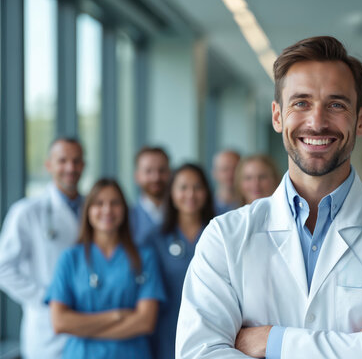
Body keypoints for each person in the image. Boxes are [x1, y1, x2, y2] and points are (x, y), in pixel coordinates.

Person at [176, 36, 362, 358]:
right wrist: (360, 346)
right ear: (277, 116)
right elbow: (197, 353)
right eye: (301, 103)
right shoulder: (224, 236)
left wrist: (272, 340)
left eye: (336, 104)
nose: (317, 122)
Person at [46, 179, 165, 359]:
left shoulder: (144, 257)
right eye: (99, 203)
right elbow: (60, 322)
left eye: (115, 203)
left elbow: (145, 322)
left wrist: (82, 327)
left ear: (124, 209)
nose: (107, 210)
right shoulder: (70, 258)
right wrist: (116, 316)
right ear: (88, 210)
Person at [0, 138, 85, 359]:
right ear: (48, 165)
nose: (70, 168)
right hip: (46, 332)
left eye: (76, 161)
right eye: (62, 161)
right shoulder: (27, 212)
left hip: (89, 327)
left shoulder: (94, 209)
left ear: (83, 165)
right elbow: (3, 268)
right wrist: (48, 298)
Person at [147, 164, 215, 359]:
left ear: (207, 192)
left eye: (197, 187)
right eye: (183, 187)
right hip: (167, 332)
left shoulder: (220, 233)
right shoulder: (154, 240)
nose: (191, 194)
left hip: (212, 331)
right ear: (171, 193)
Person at [130, 146, 171, 245]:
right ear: (137, 176)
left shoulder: (182, 217)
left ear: (170, 173)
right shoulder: (127, 219)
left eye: (161, 170)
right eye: (148, 171)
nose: (156, 177)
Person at [212, 150, 241, 215]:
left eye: (235, 169)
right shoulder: (204, 206)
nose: (230, 174)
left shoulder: (250, 204)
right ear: (214, 173)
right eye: (225, 169)